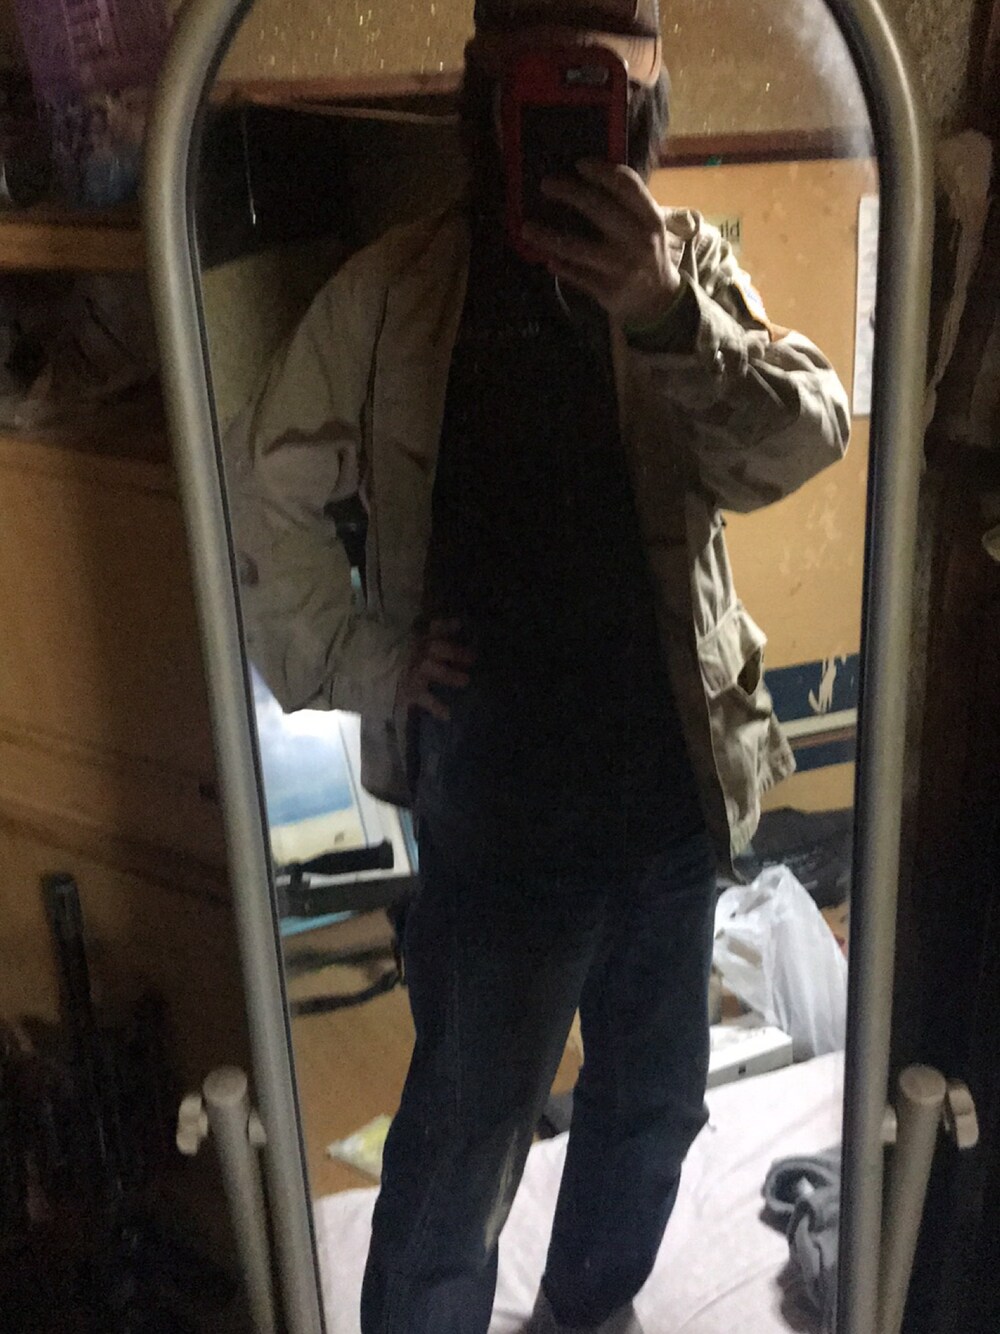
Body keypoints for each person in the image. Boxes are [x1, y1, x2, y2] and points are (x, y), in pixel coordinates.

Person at [227, 3, 850, 1330]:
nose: (575, 119)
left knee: (656, 1105)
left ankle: (585, 1308)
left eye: (601, 89)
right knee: (466, 1136)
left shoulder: (686, 270)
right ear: (486, 102)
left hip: (667, 791)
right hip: (497, 802)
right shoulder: (399, 289)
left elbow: (800, 440)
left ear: (643, 109)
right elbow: (268, 498)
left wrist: (668, 314)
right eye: (545, 88)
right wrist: (363, 657)